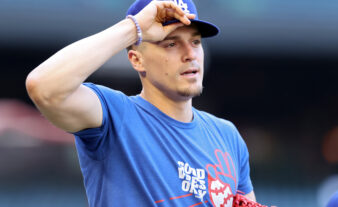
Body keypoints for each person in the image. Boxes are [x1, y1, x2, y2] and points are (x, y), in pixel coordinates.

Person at [25, 0, 262, 206]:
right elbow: (44, 87)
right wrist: (134, 27)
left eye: (196, 42)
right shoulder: (114, 115)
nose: (190, 54)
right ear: (137, 60)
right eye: (171, 43)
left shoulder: (226, 135)